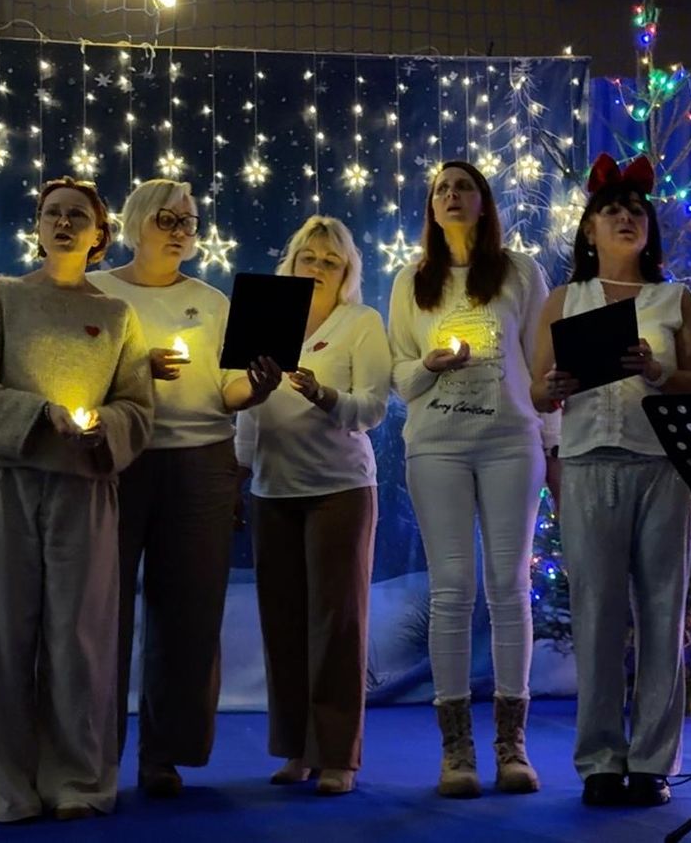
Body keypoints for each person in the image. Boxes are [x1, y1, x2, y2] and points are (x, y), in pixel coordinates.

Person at [0, 177, 154, 821]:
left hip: (83, 490)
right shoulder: (1, 297)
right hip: (2, 483)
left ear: (100, 235)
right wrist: (40, 416)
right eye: (52, 214)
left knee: (81, 642)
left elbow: (137, 407)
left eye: (77, 216)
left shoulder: (118, 316)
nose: (63, 223)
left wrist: (104, 430)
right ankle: (11, 785)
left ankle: (78, 781)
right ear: (37, 227)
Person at [87, 178, 280, 797]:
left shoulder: (212, 302)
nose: (179, 232)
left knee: (189, 614)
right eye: (166, 220)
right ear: (136, 223)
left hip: (201, 461)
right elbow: (74, 376)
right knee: (100, 613)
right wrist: (135, 370)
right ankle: (91, 756)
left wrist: (258, 387)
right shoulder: (96, 293)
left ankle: (163, 756)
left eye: (189, 222)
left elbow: (227, 391)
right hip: (116, 459)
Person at [529, 154, 691, 808]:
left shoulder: (673, 298)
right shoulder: (564, 300)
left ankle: (653, 760)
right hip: (587, 463)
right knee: (597, 613)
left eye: (636, 211)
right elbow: (536, 390)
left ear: (649, 228)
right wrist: (552, 385)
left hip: (663, 466)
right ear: (589, 228)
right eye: (612, 210)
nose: (625, 218)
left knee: (662, 610)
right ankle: (601, 759)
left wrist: (658, 371)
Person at [387, 160, 558, 798]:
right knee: (453, 589)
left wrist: (553, 445)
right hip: (436, 448)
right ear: (431, 209)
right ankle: (455, 750)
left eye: (464, 187)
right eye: (442, 189)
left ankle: (512, 745)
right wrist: (428, 367)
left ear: (484, 203)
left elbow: (542, 368)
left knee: (509, 587)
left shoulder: (521, 273)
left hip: (511, 443)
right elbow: (399, 374)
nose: (453, 196)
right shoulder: (412, 281)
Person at [234, 216, 392, 796]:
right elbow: (247, 408)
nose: (319, 267)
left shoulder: (361, 322)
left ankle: (338, 755)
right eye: (310, 257)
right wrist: (241, 469)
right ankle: (296, 748)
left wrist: (325, 397)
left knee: (337, 625)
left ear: (347, 271)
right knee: (283, 623)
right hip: (272, 489)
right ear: (292, 262)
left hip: (340, 489)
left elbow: (372, 408)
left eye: (331, 260)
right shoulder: (264, 317)